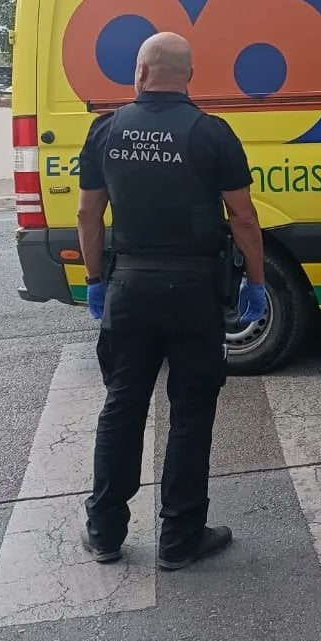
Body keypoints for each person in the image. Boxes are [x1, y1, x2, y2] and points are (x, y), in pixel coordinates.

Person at [76, 31, 268, 571]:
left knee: (122, 406)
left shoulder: (106, 129)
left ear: (139, 72)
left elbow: (88, 214)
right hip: (193, 293)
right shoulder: (211, 133)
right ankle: (180, 539)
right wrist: (255, 282)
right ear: (190, 77)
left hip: (129, 288)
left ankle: (105, 531)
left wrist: (95, 279)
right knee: (191, 412)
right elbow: (243, 217)